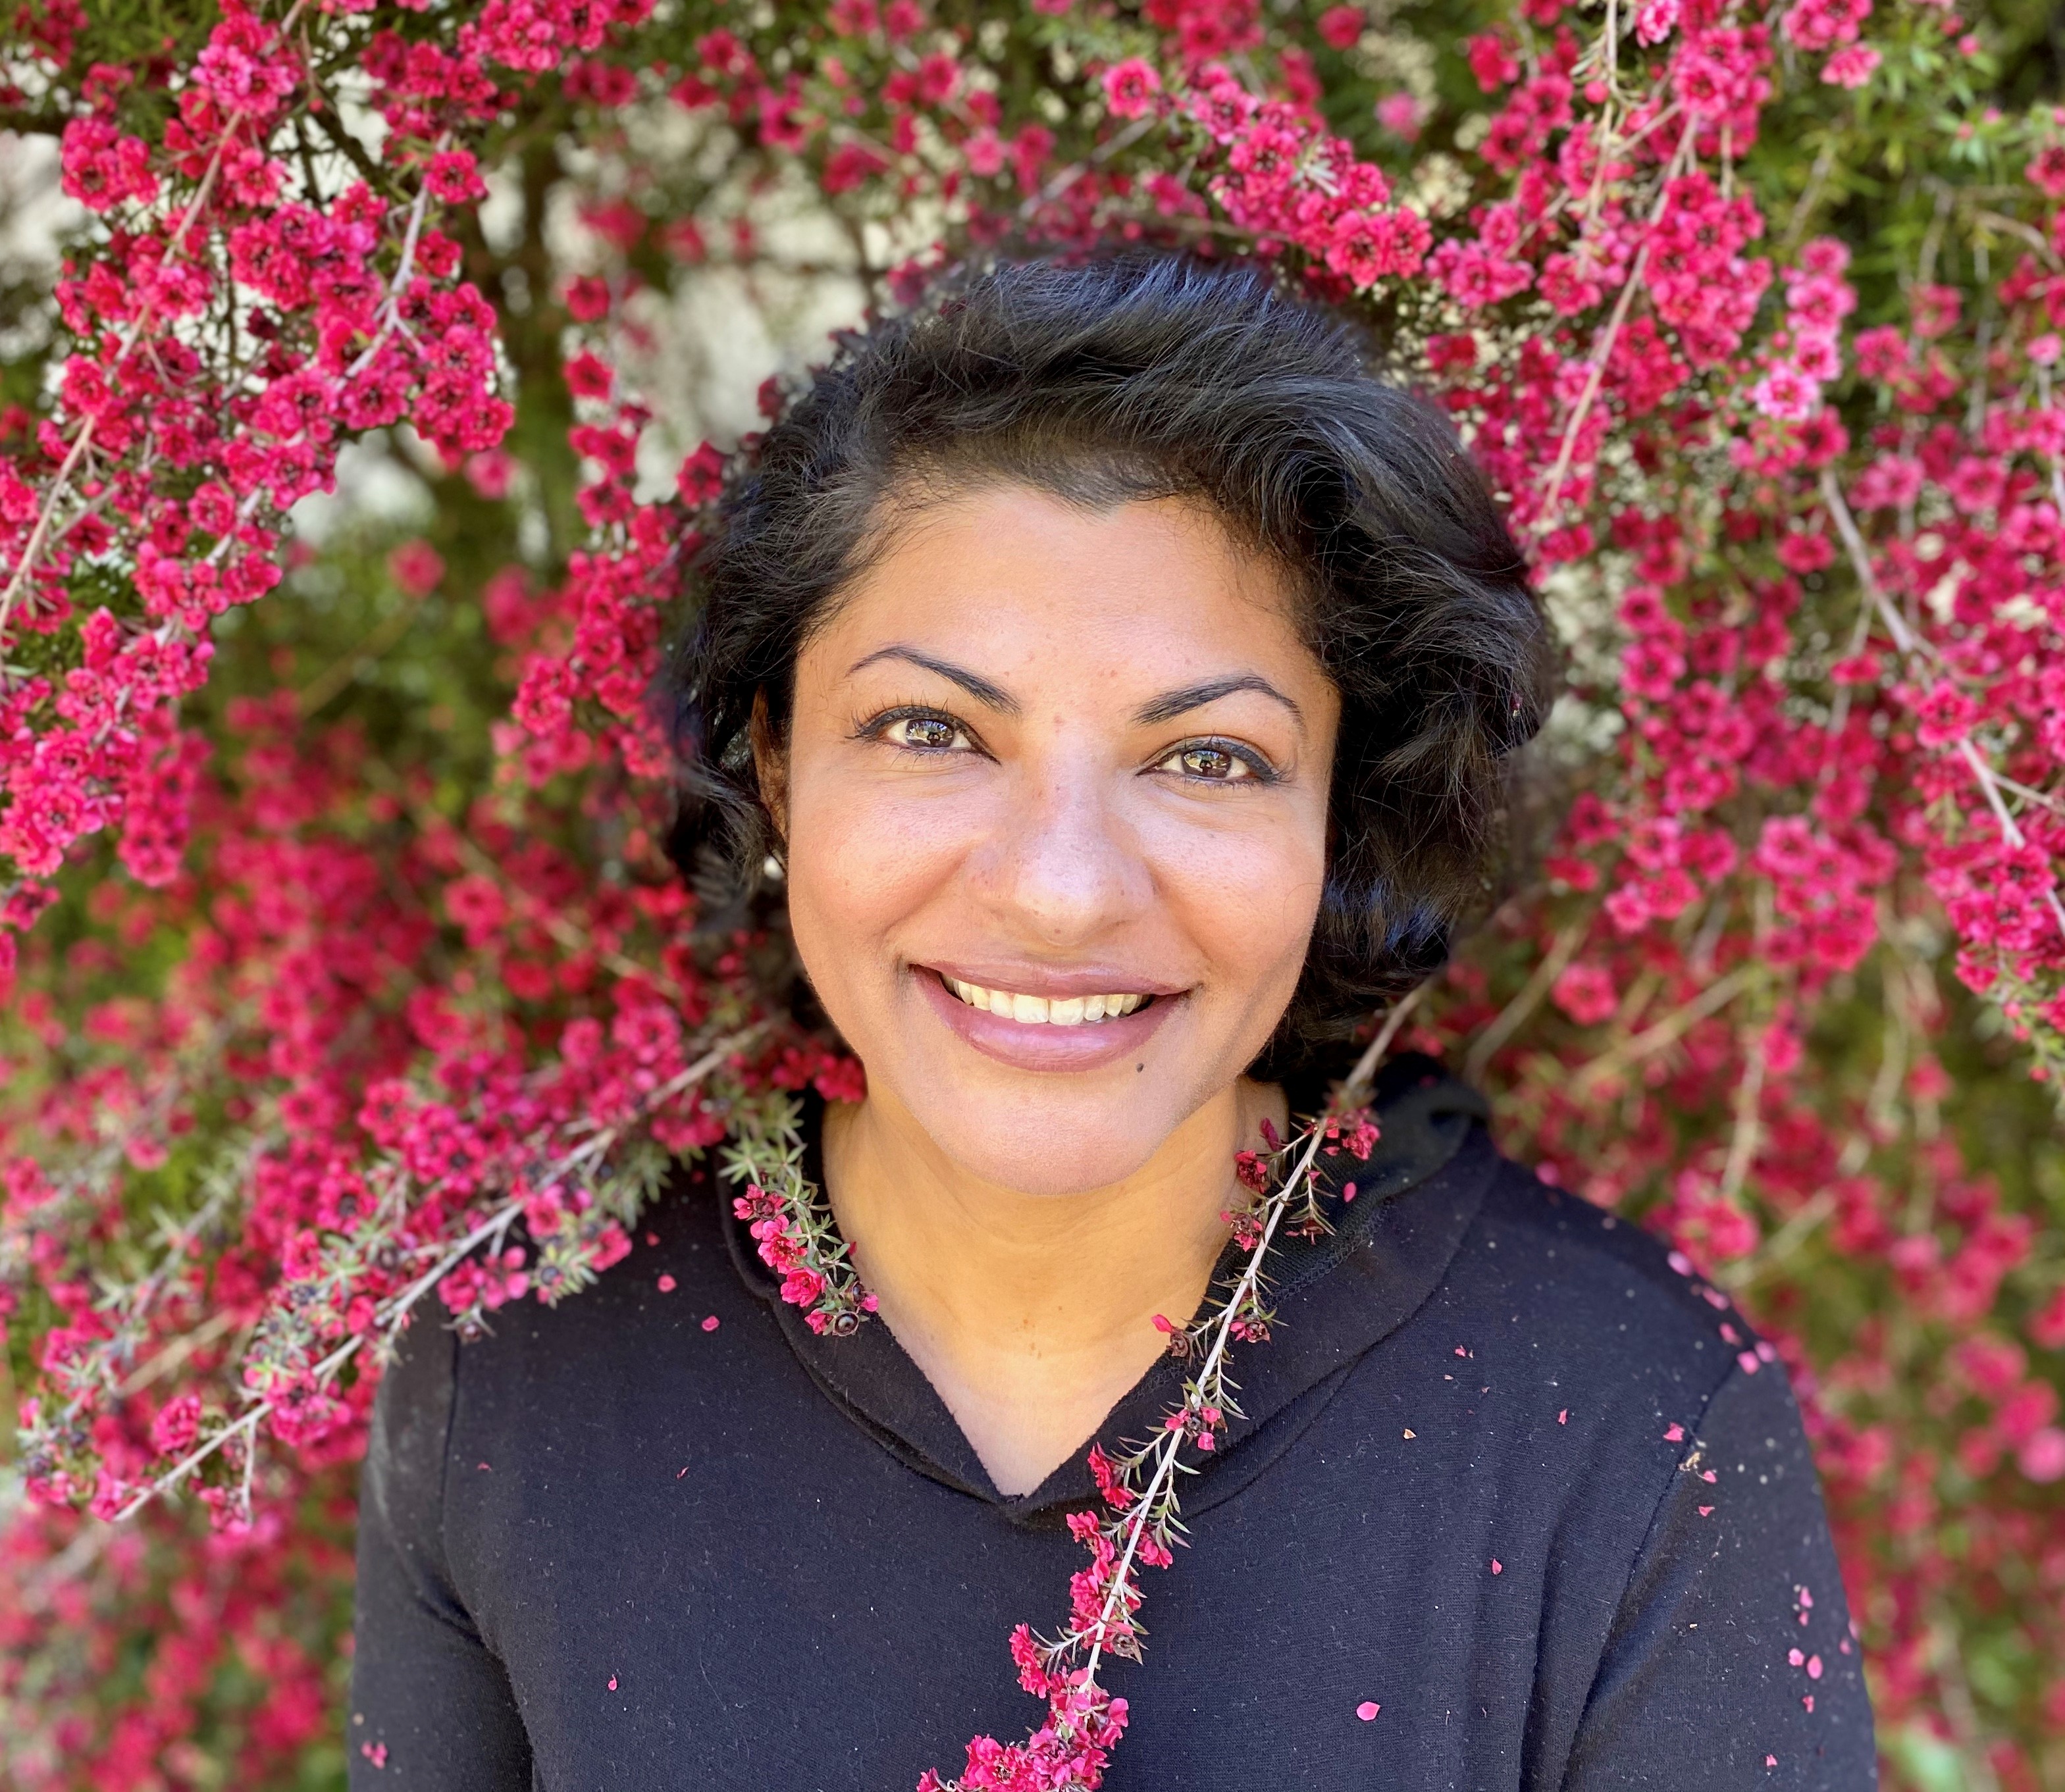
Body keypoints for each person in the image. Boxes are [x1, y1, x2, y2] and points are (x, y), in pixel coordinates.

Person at [348, 254, 1876, 1789]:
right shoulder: (520, 1375)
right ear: (782, 766)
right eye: (931, 730)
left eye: (1210, 758)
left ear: (1335, 815)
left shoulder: (1637, 1430)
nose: (1063, 894)